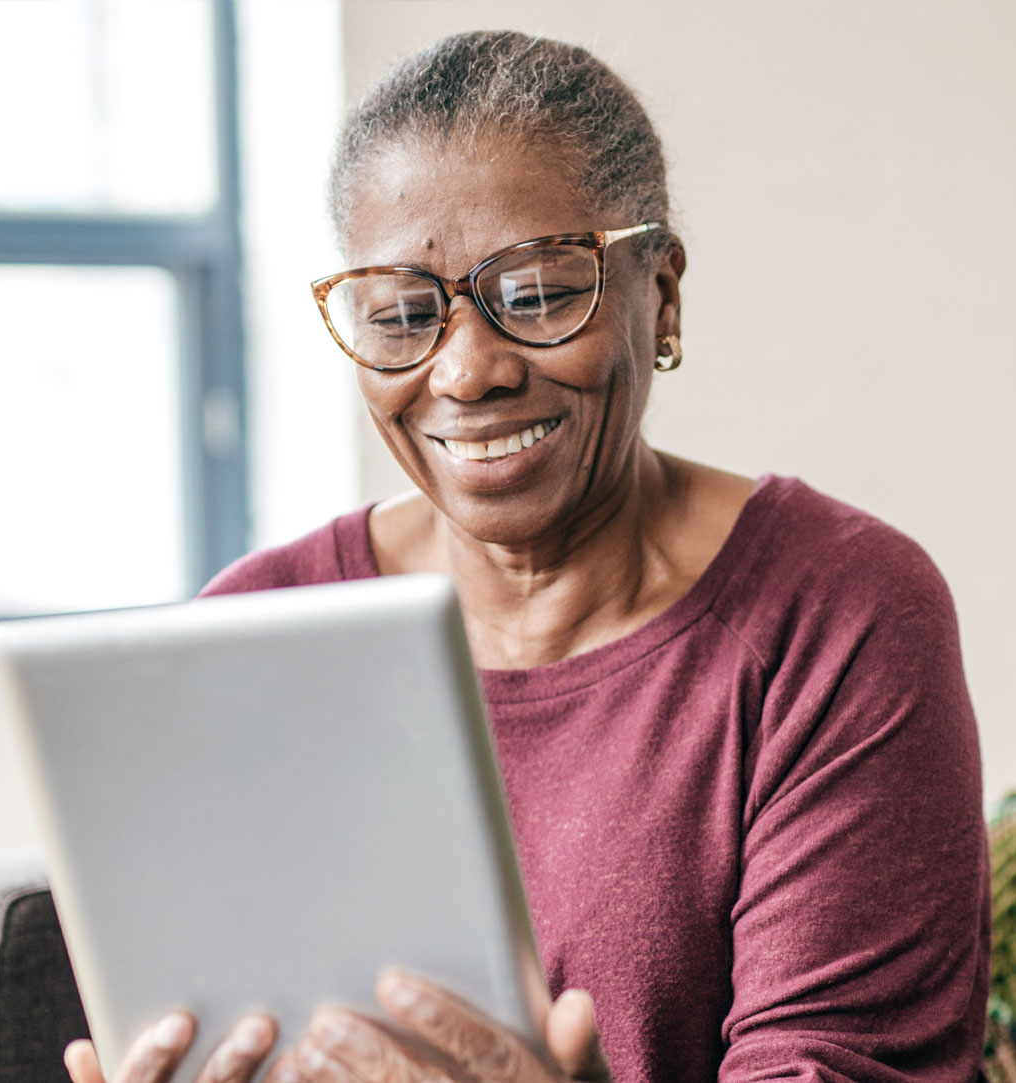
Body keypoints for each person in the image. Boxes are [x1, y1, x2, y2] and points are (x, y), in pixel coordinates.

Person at [65, 30, 990, 1083]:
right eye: (403, 316)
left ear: (664, 294)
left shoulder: (834, 613)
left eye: (541, 294)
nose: (466, 372)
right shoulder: (250, 631)